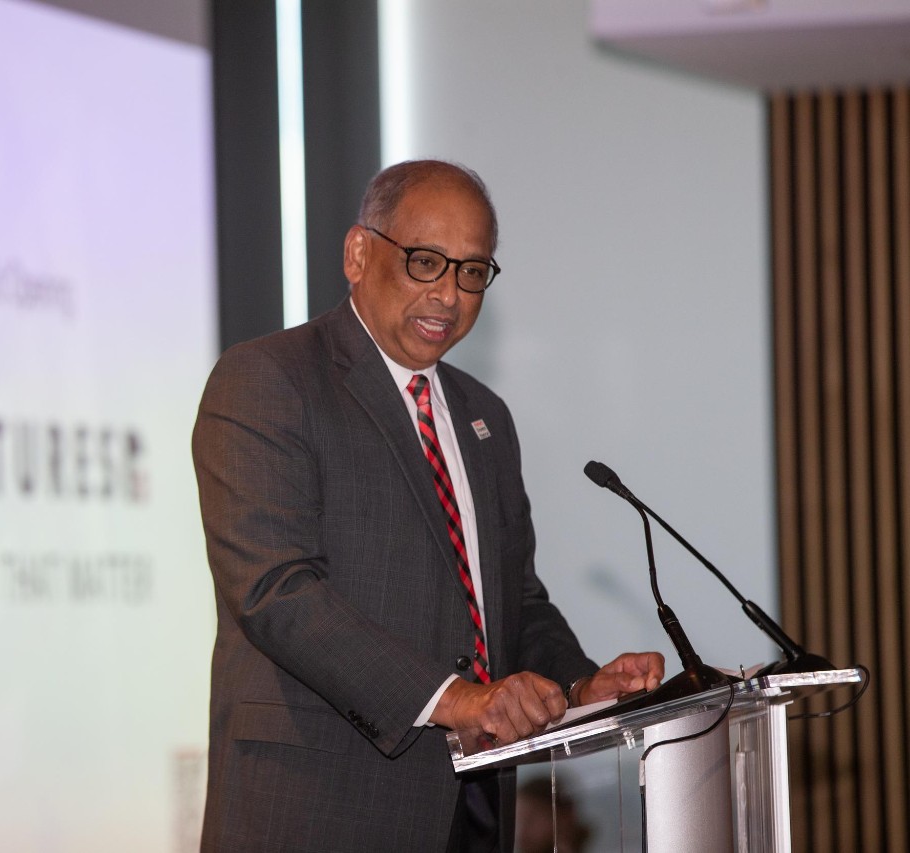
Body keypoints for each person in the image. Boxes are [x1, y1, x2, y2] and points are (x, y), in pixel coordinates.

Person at [192, 159, 663, 852]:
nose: (448, 294)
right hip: (318, 807)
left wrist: (582, 681)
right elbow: (277, 592)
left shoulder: (484, 416)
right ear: (358, 254)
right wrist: (459, 699)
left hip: (471, 811)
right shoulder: (267, 380)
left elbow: (511, 600)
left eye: (472, 271)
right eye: (425, 262)